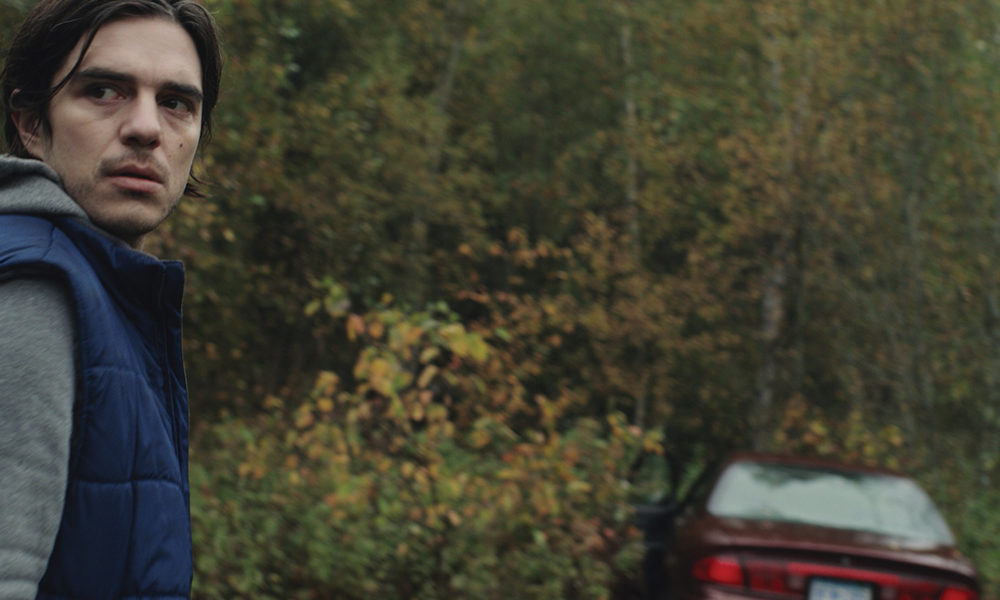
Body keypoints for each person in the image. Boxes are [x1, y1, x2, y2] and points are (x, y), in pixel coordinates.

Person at [0, 1, 222, 598]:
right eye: (103, 91)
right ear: (31, 124)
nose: (147, 127)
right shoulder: (34, 286)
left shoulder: (101, 290)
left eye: (176, 102)